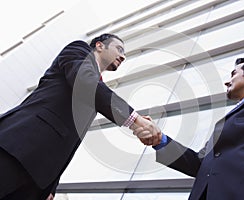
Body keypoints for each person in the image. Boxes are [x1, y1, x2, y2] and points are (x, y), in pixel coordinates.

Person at [0, 33, 161, 200]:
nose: (123, 56)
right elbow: (85, 82)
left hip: (38, 180)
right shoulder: (78, 51)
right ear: (99, 45)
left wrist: (52, 186)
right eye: (119, 49)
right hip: (17, 148)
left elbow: (72, 139)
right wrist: (135, 120)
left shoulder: (98, 90)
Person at [134, 57, 244, 200]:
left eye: (233, 74)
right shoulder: (223, 123)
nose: (227, 81)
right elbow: (200, 164)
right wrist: (160, 140)